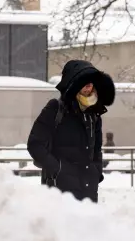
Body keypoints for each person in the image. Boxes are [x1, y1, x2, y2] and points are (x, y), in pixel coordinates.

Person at [28, 60, 115, 203]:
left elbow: (96, 150)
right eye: (85, 82)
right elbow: (35, 144)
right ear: (73, 83)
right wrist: (58, 170)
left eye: (91, 83)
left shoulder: (94, 114)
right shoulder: (55, 108)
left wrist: (96, 172)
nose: (89, 86)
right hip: (60, 194)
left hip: (88, 192)